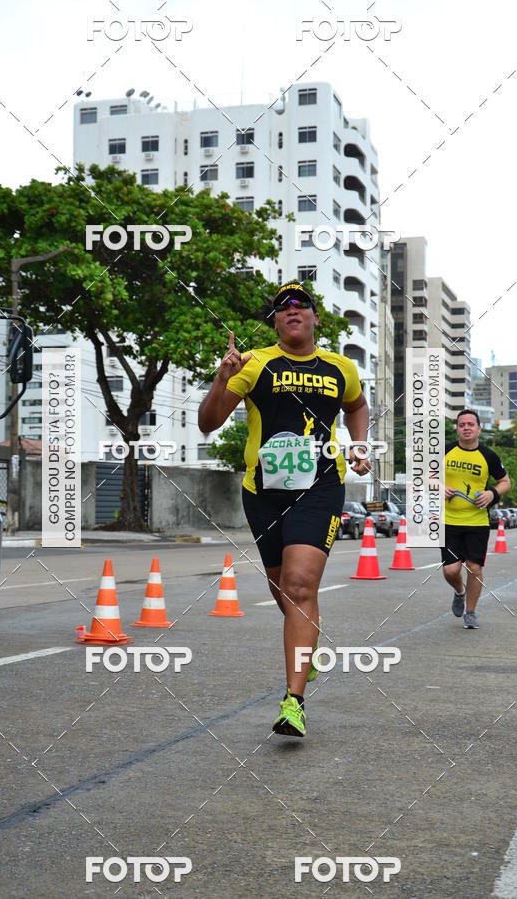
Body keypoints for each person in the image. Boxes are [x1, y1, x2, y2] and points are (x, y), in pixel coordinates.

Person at [198, 281, 371, 737]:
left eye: (301, 304)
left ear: (315, 318)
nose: (292, 309)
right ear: (275, 320)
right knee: (281, 588)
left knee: (299, 584)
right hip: (263, 492)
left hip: (321, 486)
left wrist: (359, 444)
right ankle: (306, 649)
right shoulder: (254, 363)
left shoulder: (341, 368)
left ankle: (293, 701)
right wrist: (222, 378)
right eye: (282, 306)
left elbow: (357, 406)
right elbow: (208, 422)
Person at [442, 409, 511, 629]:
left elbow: (505, 481)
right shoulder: (445, 451)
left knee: (474, 567)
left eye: (471, 424)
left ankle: (470, 612)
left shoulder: (489, 456)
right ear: (457, 428)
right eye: (462, 424)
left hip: (477, 522)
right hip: (449, 521)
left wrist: (492, 493)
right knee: (451, 570)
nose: (466, 428)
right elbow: (426, 475)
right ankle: (459, 592)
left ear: (478, 428)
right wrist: (439, 486)